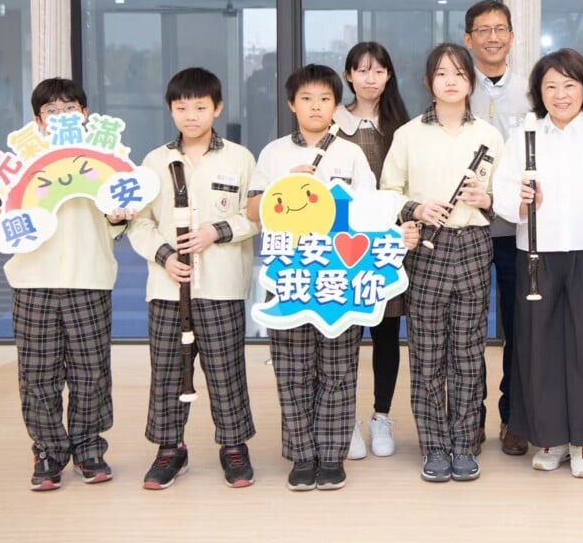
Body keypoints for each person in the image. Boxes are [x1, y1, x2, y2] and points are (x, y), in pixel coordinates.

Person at [0, 78, 133, 490]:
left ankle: (89, 448)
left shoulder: (104, 158)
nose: (61, 116)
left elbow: (118, 222)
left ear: (85, 114)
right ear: (38, 120)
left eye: (70, 108)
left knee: (91, 372)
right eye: (51, 110)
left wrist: (119, 214)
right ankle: (47, 450)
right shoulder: (19, 164)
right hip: (33, 281)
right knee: (37, 373)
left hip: (89, 278)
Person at [493, 48, 583, 478]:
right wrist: (522, 203)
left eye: (569, 85)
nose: (560, 94)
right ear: (539, 92)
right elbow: (503, 196)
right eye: (551, 86)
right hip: (536, 255)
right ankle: (551, 438)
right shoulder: (523, 138)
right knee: (539, 347)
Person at [128, 67, 259, 490]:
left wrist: (217, 231)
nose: (191, 115)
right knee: (167, 372)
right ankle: (171, 449)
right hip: (168, 288)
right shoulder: (154, 161)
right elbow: (139, 223)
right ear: (170, 109)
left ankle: (233, 446)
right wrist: (164, 256)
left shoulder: (240, 158)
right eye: (182, 107)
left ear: (217, 108)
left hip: (222, 285)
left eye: (200, 107)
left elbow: (257, 217)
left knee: (226, 370)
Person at [248, 64, 375, 491]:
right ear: (291, 104)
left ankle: (332, 455)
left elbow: (368, 212)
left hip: (339, 272)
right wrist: (284, 188)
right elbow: (252, 210)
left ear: (336, 105)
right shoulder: (273, 153)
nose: (316, 106)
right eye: (306, 99)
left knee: (338, 368)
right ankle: (303, 455)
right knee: (292, 368)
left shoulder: (351, 153)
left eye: (324, 99)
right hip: (288, 272)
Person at [380, 43, 504, 483]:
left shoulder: (489, 135)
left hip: (473, 243)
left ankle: (464, 442)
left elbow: (506, 198)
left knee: (469, 351)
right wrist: (415, 209)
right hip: (427, 248)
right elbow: (388, 191)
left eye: (459, 74)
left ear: (471, 81)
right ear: (428, 82)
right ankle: (434, 445)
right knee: (428, 350)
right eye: (441, 74)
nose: (451, 81)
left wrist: (486, 199)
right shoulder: (408, 134)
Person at [462, 0, 533, 456]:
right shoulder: (455, 86)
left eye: (500, 28)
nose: (492, 37)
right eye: (483, 30)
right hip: (465, 230)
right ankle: (470, 418)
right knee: (467, 330)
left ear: (511, 36)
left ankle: (514, 417)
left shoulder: (531, 92)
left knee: (519, 328)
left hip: (515, 230)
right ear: (468, 39)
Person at [335, 42, 412, 460]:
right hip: (342, 245)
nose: (370, 78)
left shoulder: (402, 125)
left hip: (389, 244)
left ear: (388, 76)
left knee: (386, 334)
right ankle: (345, 420)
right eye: (361, 70)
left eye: (378, 71)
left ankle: (381, 416)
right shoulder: (334, 121)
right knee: (344, 336)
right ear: (348, 75)